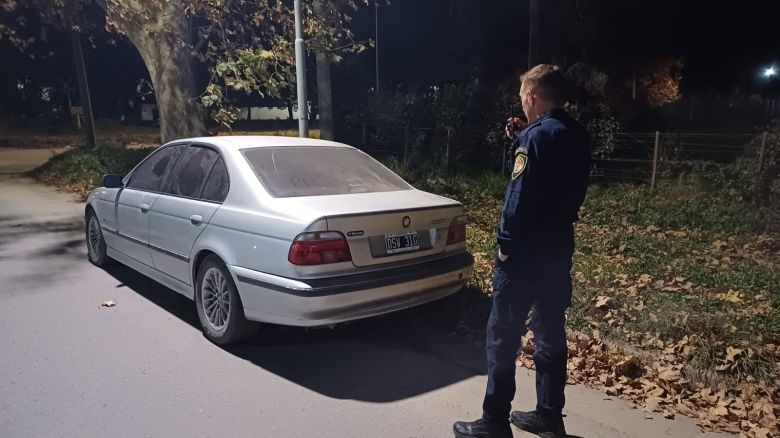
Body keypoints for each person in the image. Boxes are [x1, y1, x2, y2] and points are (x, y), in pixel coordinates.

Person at [453, 64, 591, 438]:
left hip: (524, 256)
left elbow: (518, 198)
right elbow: (556, 175)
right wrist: (523, 134)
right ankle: (549, 415)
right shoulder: (576, 135)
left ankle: (494, 421)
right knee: (550, 333)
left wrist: (505, 249)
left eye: (522, 98)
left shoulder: (533, 141)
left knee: (503, 335)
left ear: (531, 96)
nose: (522, 103)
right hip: (558, 250)